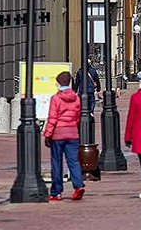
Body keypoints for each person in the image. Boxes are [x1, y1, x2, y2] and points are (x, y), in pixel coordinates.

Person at [43, 71, 85, 201]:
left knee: (57, 162)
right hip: (72, 133)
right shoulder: (76, 98)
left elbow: (53, 118)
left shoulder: (56, 98)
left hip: (58, 134)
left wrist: (48, 134)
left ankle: (56, 192)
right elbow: (77, 117)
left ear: (59, 83)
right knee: (73, 161)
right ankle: (78, 186)